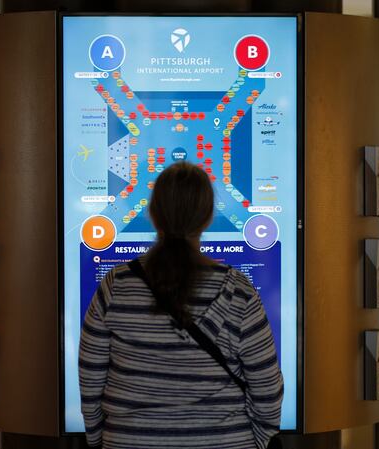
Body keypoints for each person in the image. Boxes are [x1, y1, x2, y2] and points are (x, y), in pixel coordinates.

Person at [79, 162, 284, 449]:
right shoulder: (240, 292)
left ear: (153, 213)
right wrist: (257, 439)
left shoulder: (116, 285)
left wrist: (99, 438)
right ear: (208, 217)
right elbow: (267, 388)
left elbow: (90, 379)